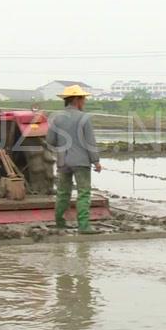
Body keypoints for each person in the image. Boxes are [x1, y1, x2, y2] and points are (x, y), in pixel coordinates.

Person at [47, 85, 102, 233]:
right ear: (77, 100)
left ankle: (60, 222)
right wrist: (96, 161)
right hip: (81, 162)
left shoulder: (57, 118)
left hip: (62, 162)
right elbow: (90, 142)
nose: (84, 102)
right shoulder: (84, 118)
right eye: (83, 99)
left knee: (63, 192)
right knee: (83, 193)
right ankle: (83, 225)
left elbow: (50, 140)